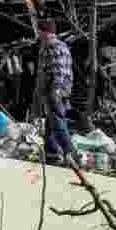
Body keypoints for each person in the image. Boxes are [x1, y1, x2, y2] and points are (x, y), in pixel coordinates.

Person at [36, 19, 74, 164]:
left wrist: (55, 89)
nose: (38, 34)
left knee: (57, 120)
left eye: (39, 31)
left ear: (43, 31)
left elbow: (57, 70)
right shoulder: (63, 45)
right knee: (51, 121)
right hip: (64, 87)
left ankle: (69, 151)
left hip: (55, 88)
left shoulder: (50, 45)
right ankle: (51, 152)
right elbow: (68, 70)